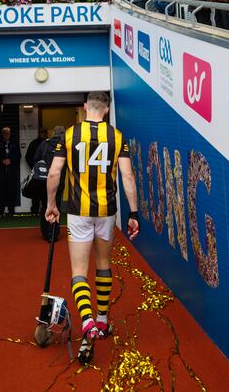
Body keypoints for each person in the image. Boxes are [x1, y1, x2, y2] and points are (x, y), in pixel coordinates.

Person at [45, 92, 139, 365]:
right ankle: (102, 320)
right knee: (103, 264)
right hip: (107, 212)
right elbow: (128, 176)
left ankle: (87, 323)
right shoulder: (117, 137)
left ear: (85, 107)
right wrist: (133, 212)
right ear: (107, 110)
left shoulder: (70, 134)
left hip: (78, 212)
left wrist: (51, 204)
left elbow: (54, 173)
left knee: (78, 271)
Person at [33, 126, 65, 241]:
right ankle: (53, 234)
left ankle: (45, 232)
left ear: (53, 133)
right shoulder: (64, 145)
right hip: (59, 182)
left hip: (43, 181)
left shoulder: (44, 144)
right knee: (56, 206)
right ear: (63, 133)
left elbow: (35, 159)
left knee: (45, 206)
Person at [0, 126, 21, 216]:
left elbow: (18, 155)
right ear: (2, 134)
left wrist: (11, 160)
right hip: (0, 171)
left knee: (11, 191)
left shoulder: (14, 143)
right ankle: (0, 211)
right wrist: (1, 160)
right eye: (5, 133)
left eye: (8, 133)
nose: (7, 135)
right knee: (0, 191)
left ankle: (11, 211)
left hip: (11, 171)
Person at [25, 128, 48, 215]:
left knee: (47, 191)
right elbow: (28, 157)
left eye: (44, 133)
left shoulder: (50, 143)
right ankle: (34, 210)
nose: (43, 134)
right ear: (39, 133)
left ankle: (45, 210)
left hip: (48, 171)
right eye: (42, 132)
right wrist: (34, 168)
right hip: (37, 172)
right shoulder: (34, 143)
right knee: (36, 191)